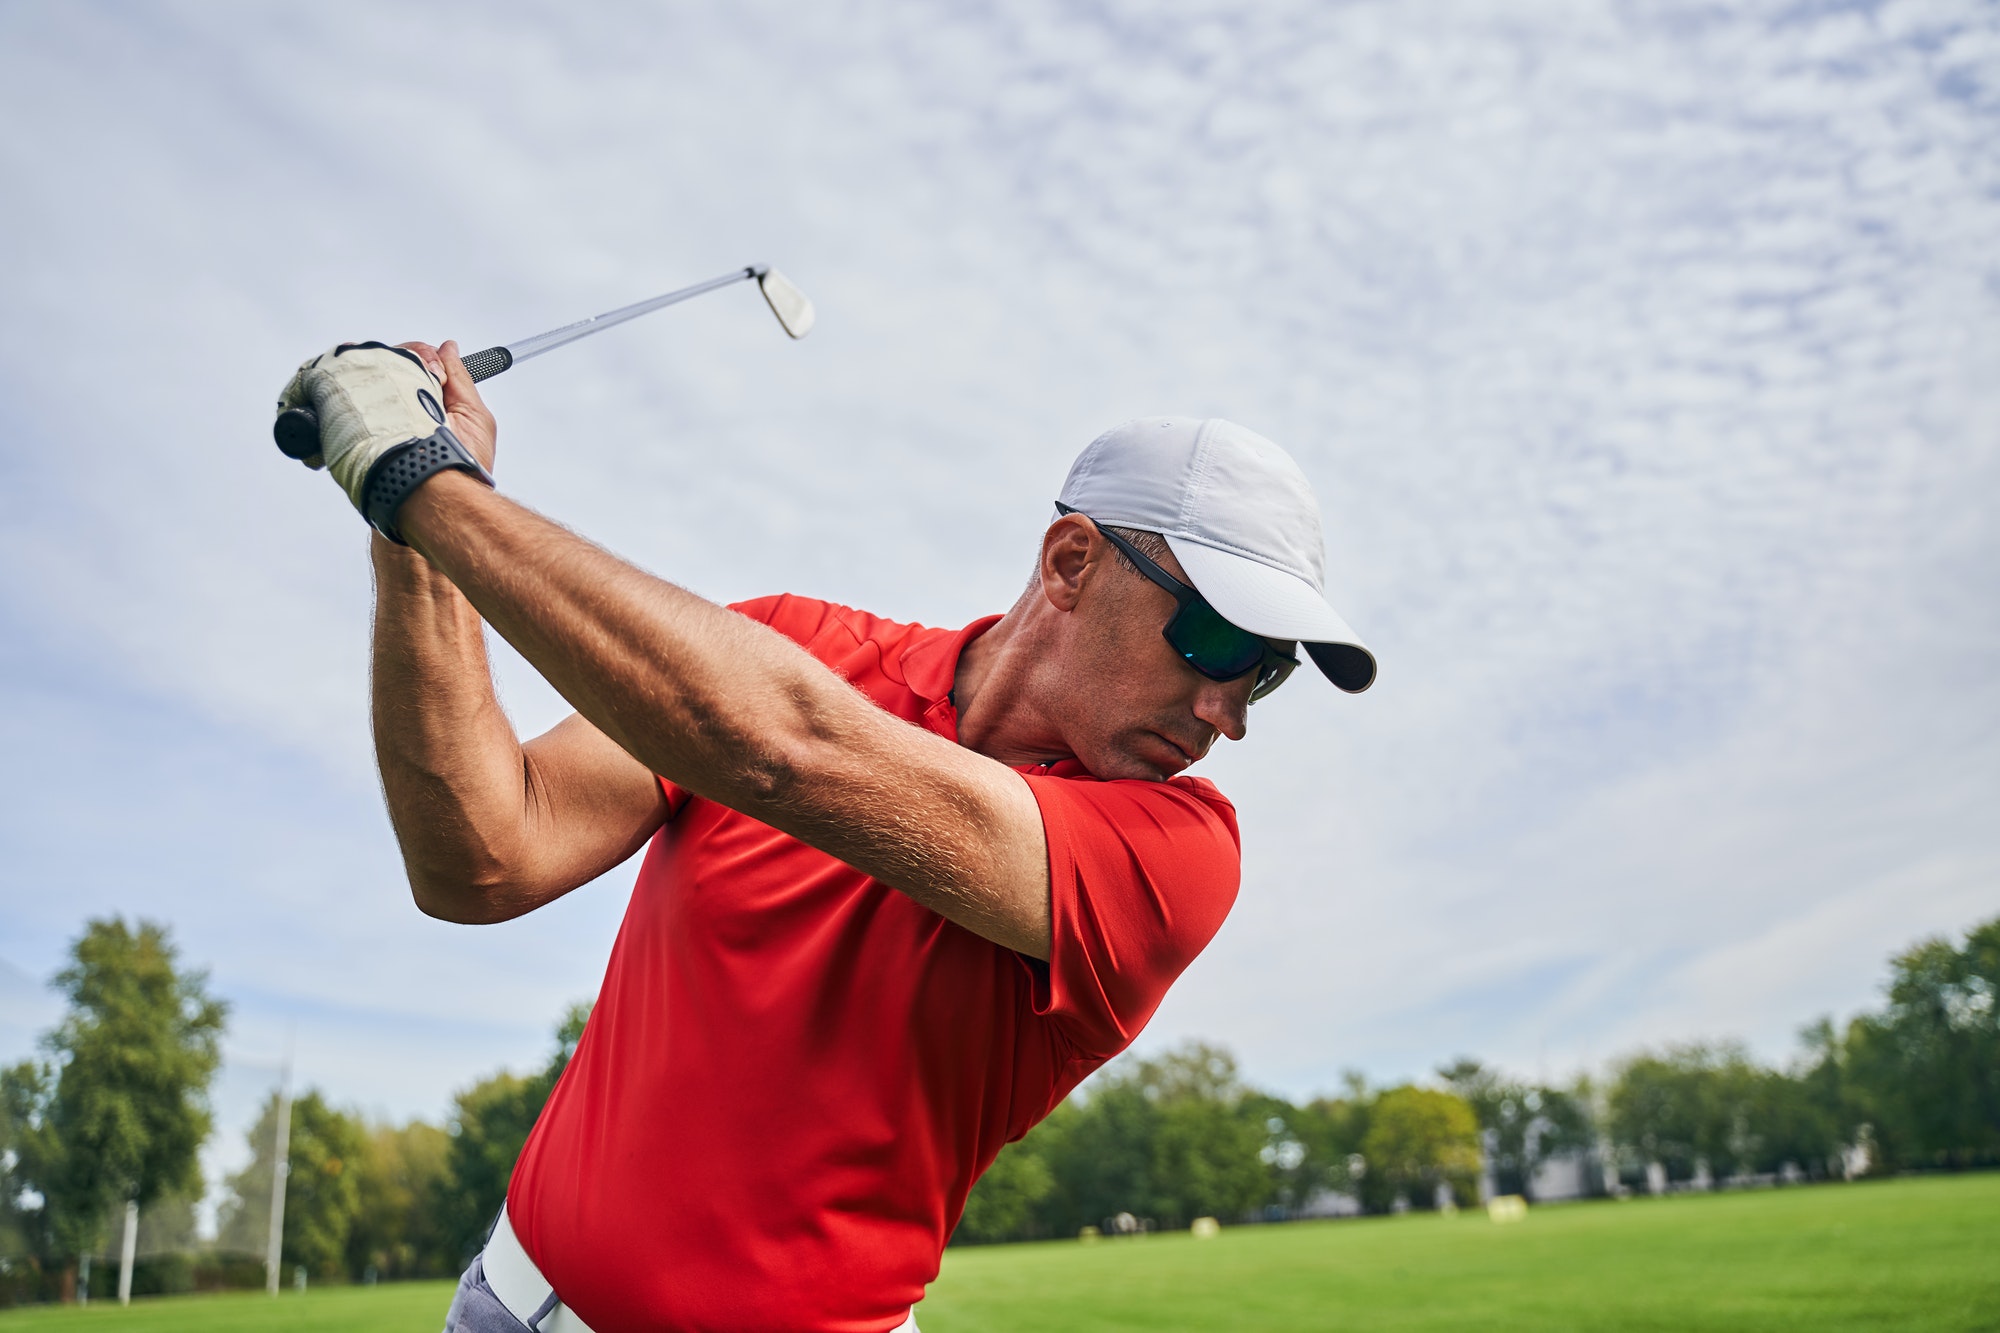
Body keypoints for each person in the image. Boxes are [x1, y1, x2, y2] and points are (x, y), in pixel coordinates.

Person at [274, 339, 1376, 1333]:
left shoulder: (1177, 850)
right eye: (1219, 636)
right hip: (505, 1309)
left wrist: (420, 481)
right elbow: (479, 856)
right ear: (1070, 563)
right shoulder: (788, 647)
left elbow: (785, 753)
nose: (1226, 710)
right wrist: (410, 537)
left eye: (1266, 673)